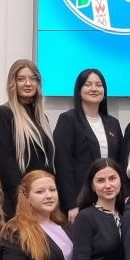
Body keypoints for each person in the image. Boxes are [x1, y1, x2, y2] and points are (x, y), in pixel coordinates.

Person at [0, 58, 55, 215]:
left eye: (33, 79)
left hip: (42, 200)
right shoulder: (3, 114)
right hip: (18, 202)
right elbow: (5, 163)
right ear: (13, 83)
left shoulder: (42, 118)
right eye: (21, 79)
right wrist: (24, 198)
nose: (28, 83)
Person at [53, 68, 124, 214]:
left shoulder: (113, 123)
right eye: (88, 84)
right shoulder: (68, 119)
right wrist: (71, 204)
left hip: (110, 198)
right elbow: (63, 165)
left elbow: (120, 162)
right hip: (81, 199)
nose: (94, 89)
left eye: (99, 85)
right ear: (79, 91)